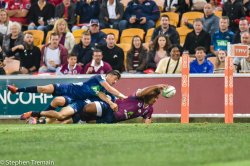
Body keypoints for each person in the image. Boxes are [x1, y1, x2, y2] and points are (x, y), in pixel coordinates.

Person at [26, 84, 168, 124]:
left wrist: (147, 125)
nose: (156, 100)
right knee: (87, 108)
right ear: (150, 95)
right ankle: (36, 115)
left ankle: (38, 119)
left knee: (65, 119)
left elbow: (147, 123)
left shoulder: (149, 109)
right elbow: (144, 90)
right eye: (155, 97)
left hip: (110, 120)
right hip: (109, 108)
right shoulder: (138, 96)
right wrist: (158, 85)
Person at [8, 70, 127, 116]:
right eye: (115, 79)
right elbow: (111, 90)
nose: (115, 82)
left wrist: (112, 102)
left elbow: (101, 94)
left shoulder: (101, 89)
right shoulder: (100, 77)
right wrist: (123, 96)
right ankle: (17, 90)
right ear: (109, 75)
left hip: (75, 99)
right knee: (45, 89)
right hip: (69, 89)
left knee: (59, 106)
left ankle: (36, 116)